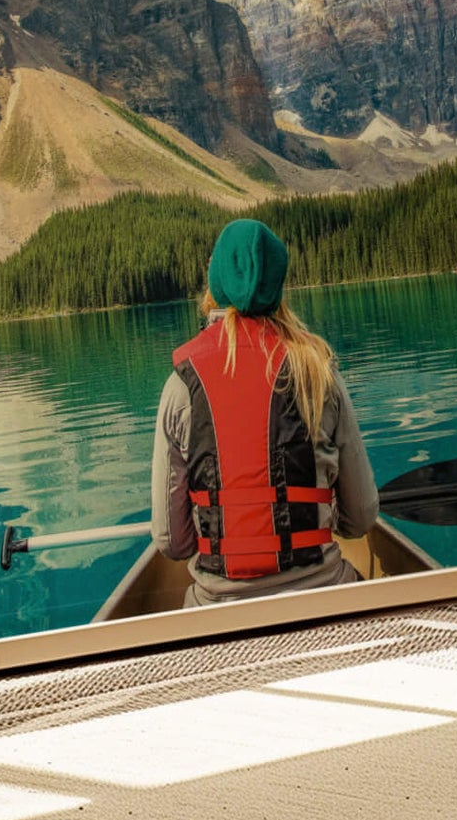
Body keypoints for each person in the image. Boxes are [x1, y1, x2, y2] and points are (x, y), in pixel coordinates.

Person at [151, 219, 379, 606]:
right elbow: (360, 519)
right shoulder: (320, 372)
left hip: (217, 608)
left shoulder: (181, 387)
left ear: (215, 287)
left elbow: (172, 542)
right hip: (325, 593)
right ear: (278, 288)